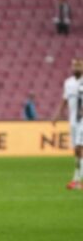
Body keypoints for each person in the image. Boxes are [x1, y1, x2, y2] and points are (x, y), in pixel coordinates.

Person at [50, 58, 83, 190]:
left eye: (79, 65)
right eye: (74, 65)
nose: (76, 67)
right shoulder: (68, 82)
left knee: (79, 147)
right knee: (76, 150)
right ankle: (76, 179)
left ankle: (78, 179)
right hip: (73, 120)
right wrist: (58, 114)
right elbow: (65, 99)